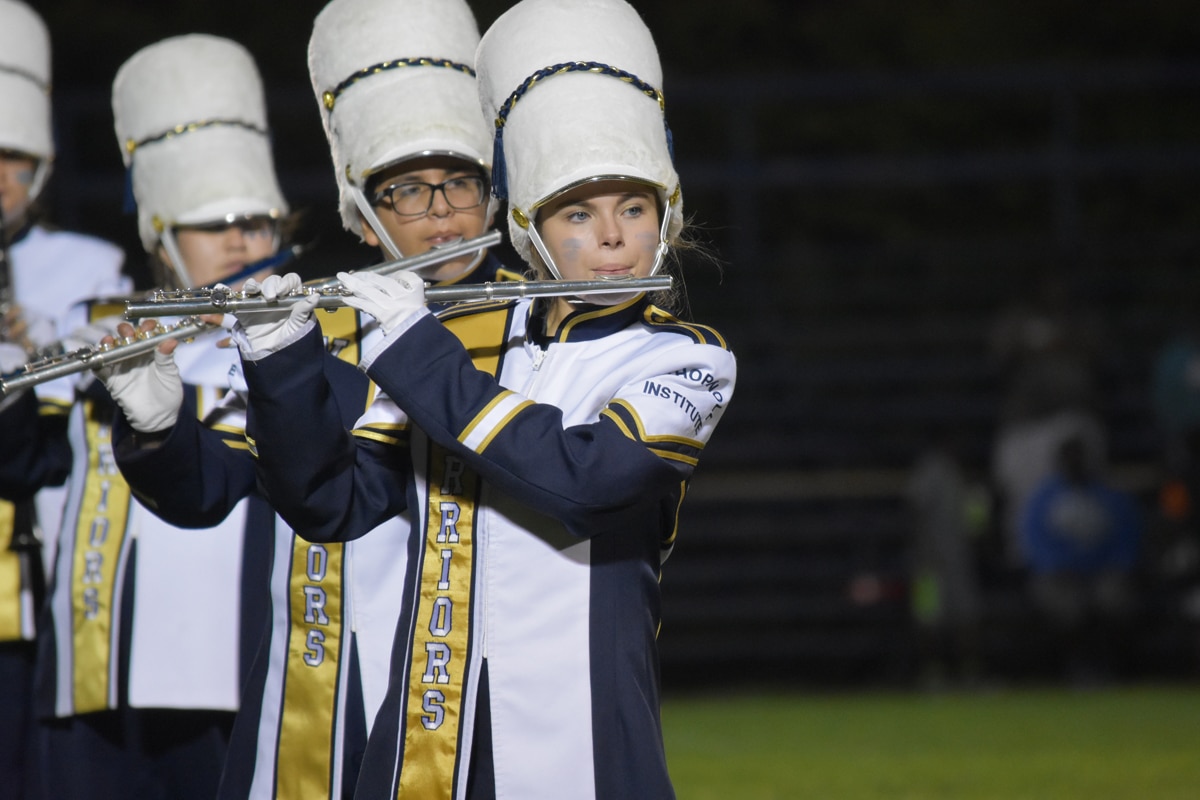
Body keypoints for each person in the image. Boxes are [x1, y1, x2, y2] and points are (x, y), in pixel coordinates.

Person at [232, 0, 736, 796]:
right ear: (533, 231)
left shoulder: (684, 358)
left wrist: (411, 350)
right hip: (431, 725)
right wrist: (280, 359)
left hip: (587, 732)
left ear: (665, 221)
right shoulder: (474, 349)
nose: (610, 239)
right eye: (578, 213)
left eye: (633, 209)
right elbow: (332, 505)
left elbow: (586, 482)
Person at [104, 2, 517, 796]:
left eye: (460, 185)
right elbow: (209, 488)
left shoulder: (543, 327)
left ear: (493, 200)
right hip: (325, 678)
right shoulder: (315, 328)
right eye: (405, 193)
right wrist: (157, 428)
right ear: (364, 221)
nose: (439, 216)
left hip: (482, 678)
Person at [20, 34, 292, 800]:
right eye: (214, 225)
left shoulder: (302, 349)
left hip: (243, 673)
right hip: (100, 678)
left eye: (256, 220)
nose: (240, 240)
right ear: (163, 239)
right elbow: (25, 462)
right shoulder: (89, 330)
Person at [0, 2, 126, 797]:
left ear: (40, 171)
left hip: (38, 575)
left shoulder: (88, 264)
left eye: (10, 160)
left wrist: (42, 345)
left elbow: (109, 397)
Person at [1021, 434, 1142, 683]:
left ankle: (1112, 666)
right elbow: (1034, 540)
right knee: (1068, 606)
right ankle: (1075, 666)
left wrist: (1114, 566)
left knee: (1112, 598)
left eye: (1079, 457)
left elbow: (1126, 536)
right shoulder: (1044, 497)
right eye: (1069, 457)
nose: (1075, 463)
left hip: (1103, 572)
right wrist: (1059, 566)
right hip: (1060, 576)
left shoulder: (1109, 495)